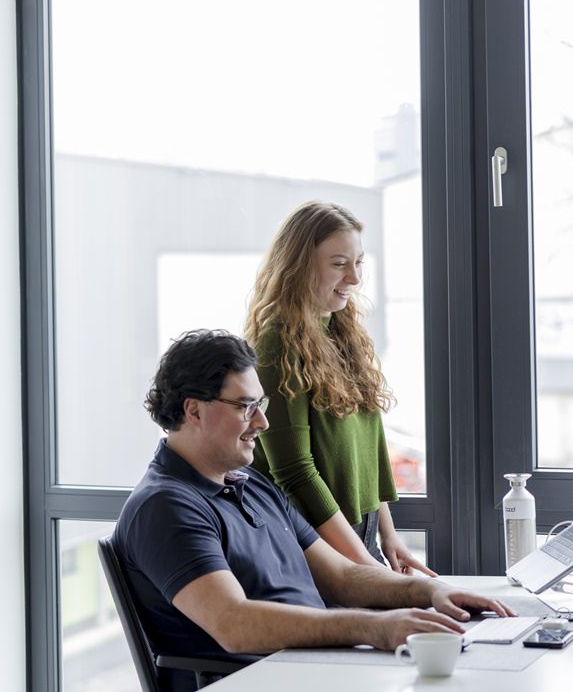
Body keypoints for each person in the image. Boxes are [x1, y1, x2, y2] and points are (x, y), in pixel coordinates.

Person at [112, 330, 510, 692]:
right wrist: (376, 628)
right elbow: (234, 623)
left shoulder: (251, 484)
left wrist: (430, 592)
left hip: (314, 668)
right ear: (194, 411)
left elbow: (342, 576)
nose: (263, 422)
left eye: (261, 404)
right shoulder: (165, 506)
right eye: (246, 406)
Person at [244, 201, 429, 574]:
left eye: (359, 263)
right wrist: (363, 566)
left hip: (358, 535)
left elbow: (370, 447)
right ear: (297, 265)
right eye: (339, 264)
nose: (355, 279)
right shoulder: (277, 343)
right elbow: (295, 471)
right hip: (314, 543)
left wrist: (389, 536)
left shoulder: (344, 333)